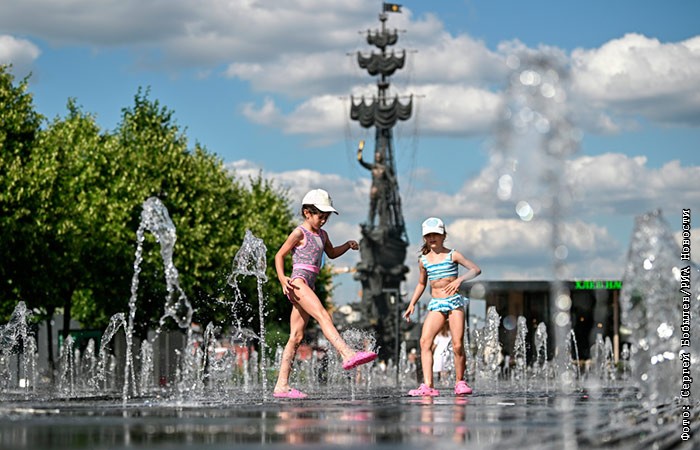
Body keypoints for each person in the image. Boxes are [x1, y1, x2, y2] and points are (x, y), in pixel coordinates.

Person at [273, 188, 378, 399]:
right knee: (323, 315)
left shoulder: (323, 235)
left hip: (309, 285)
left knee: (296, 337)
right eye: (320, 216)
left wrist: (347, 245)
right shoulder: (299, 233)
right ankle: (346, 353)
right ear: (307, 213)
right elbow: (279, 255)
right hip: (298, 282)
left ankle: (281, 385)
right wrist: (282, 278)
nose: (323, 221)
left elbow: (331, 253)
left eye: (326, 217)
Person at [403, 217, 481, 396]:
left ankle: (460, 382)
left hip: (454, 302)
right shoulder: (423, 260)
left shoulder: (453, 255)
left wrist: (460, 280)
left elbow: (475, 269)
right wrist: (412, 303)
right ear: (425, 238)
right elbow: (421, 284)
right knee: (425, 341)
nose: (432, 238)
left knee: (457, 344)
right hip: (436, 304)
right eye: (429, 235)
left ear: (444, 236)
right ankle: (428, 385)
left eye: (436, 235)